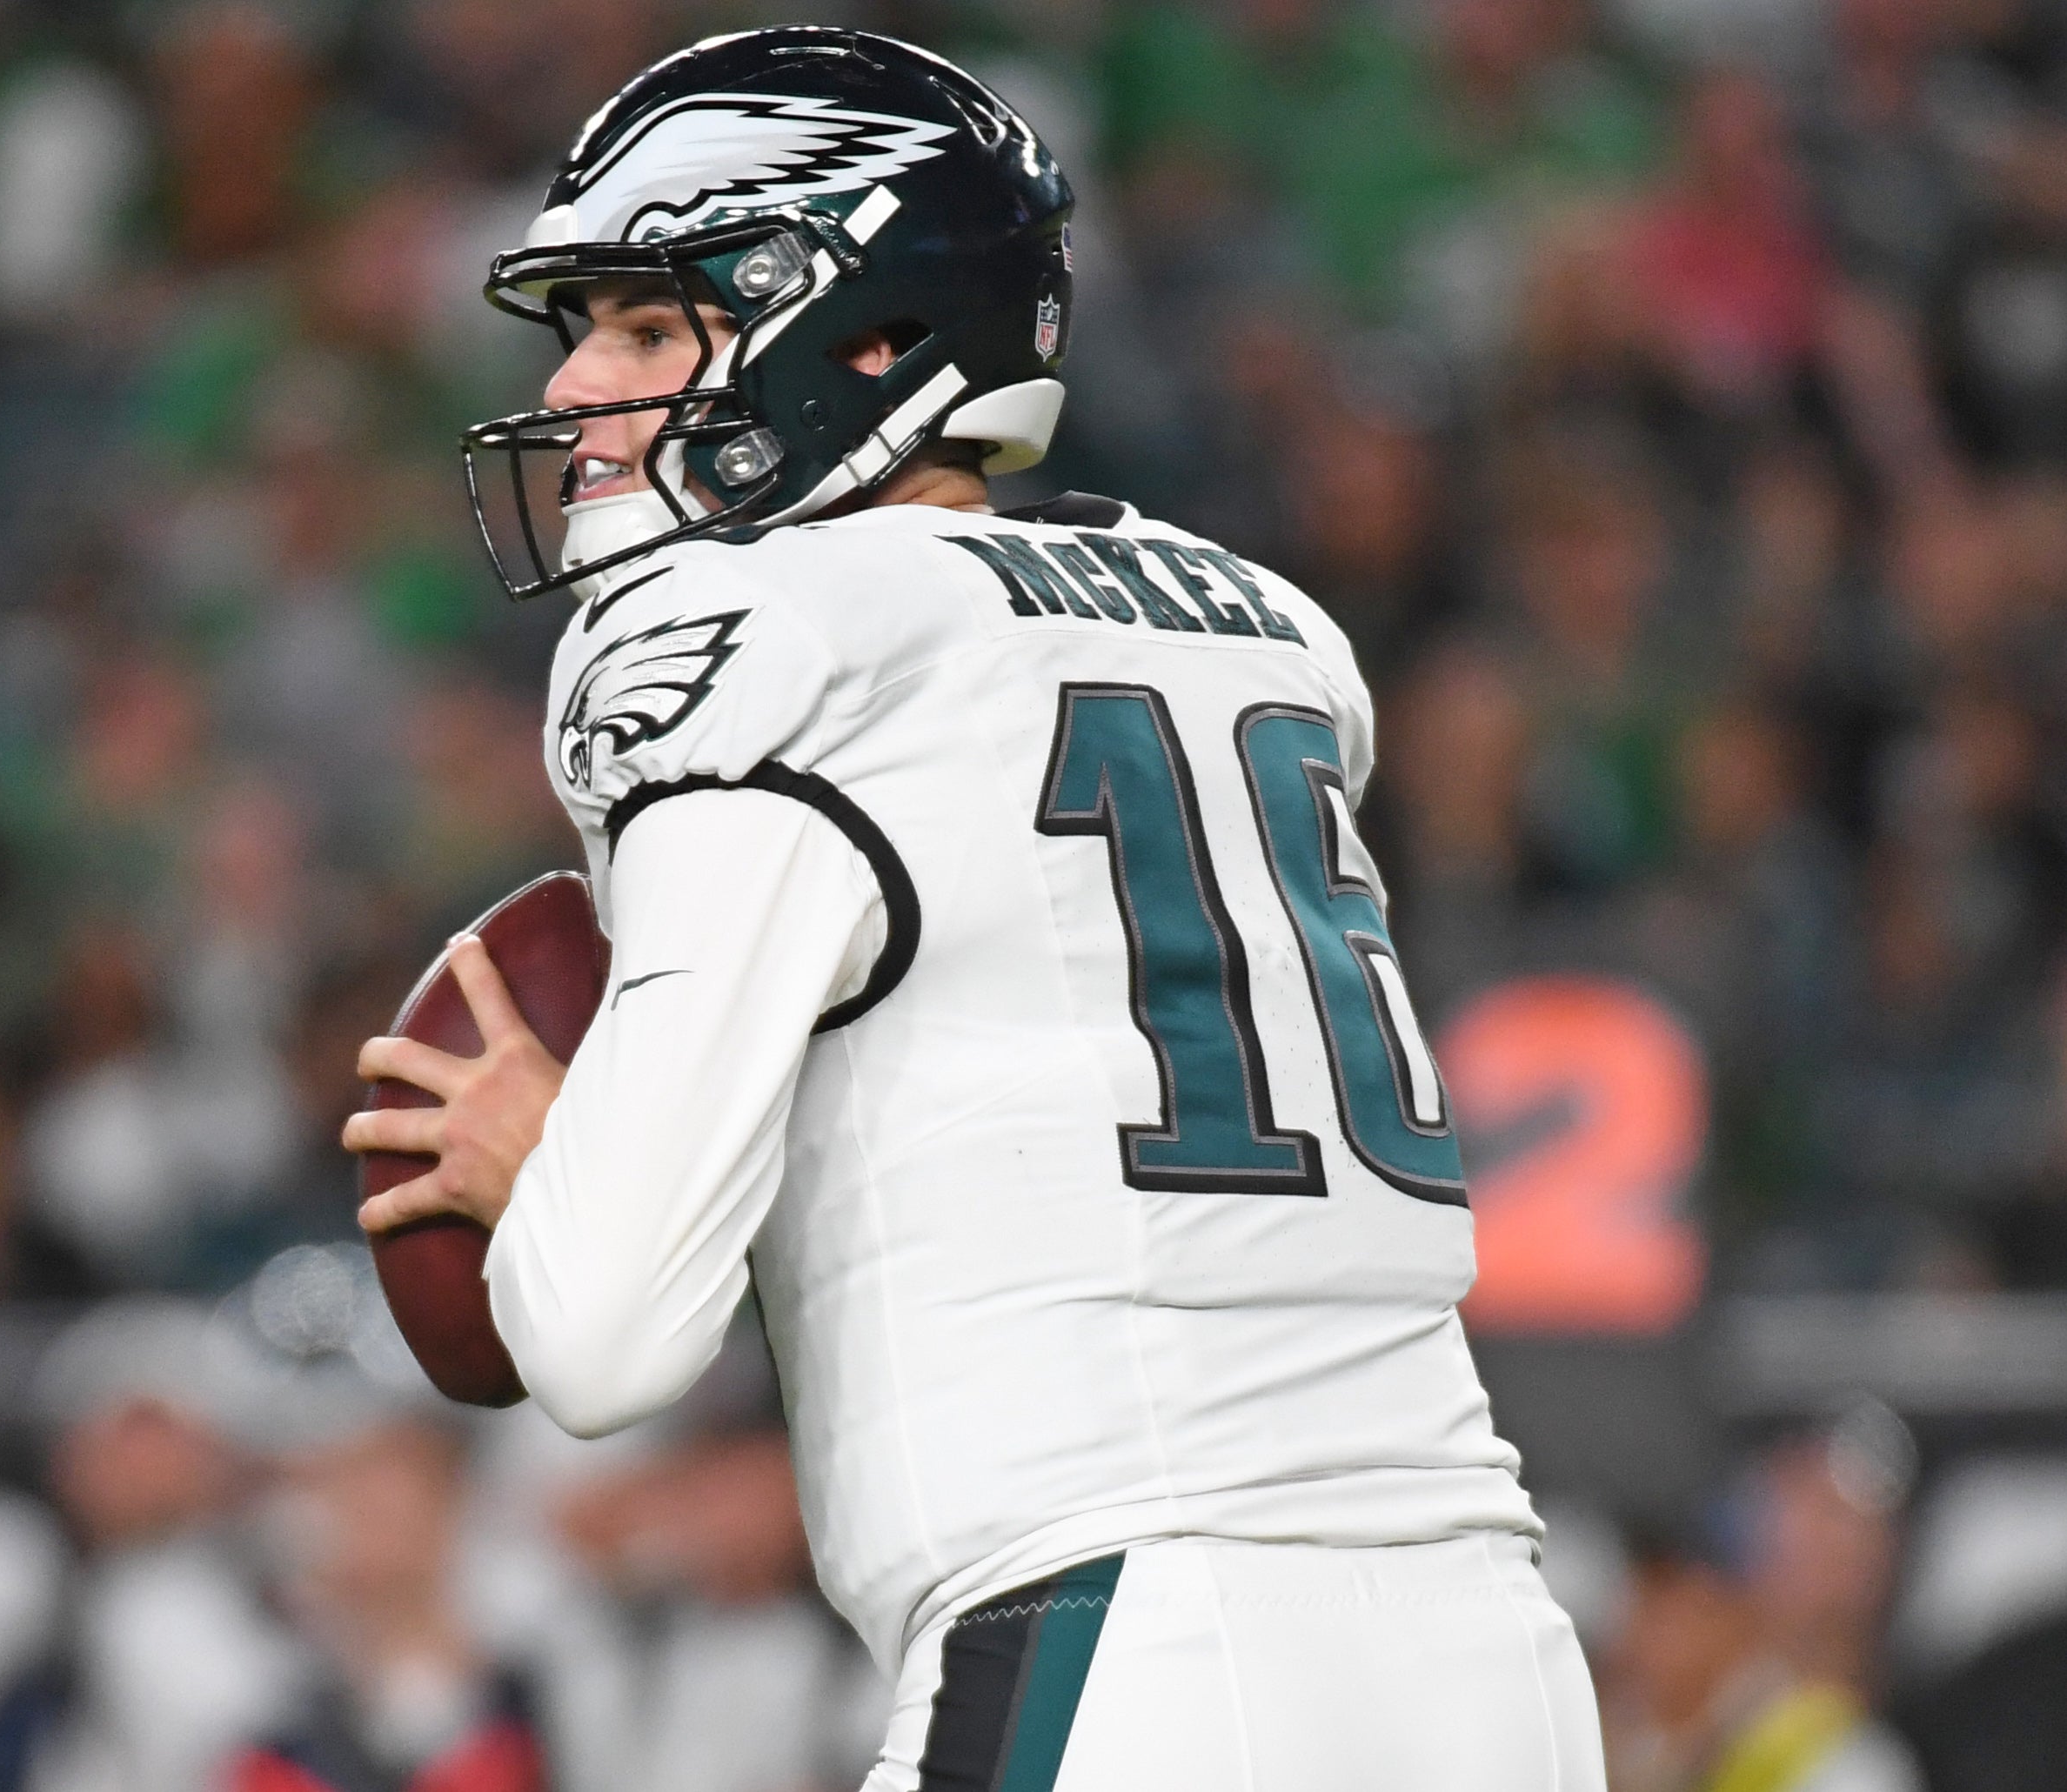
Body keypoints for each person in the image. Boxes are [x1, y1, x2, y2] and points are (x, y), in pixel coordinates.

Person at [342, 28, 1602, 1791]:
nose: (569, 397)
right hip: (1494, 1658)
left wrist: (556, 1151)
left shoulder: (753, 633)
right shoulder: (1253, 622)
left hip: (1130, 1630)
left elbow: (605, 1334)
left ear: (872, 337)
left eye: (642, 328)